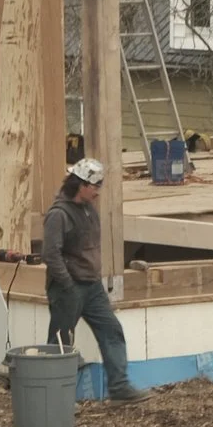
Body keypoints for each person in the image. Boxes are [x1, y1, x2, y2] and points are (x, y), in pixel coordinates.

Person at [42, 158, 148, 403]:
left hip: (92, 286)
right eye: (95, 185)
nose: (98, 191)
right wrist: (67, 285)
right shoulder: (58, 215)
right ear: (81, 185)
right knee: (60, 345)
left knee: (112, 330)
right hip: (68, 288)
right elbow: (51, 254)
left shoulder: (89, 209)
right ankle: (56, 401)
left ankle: (119, 388)